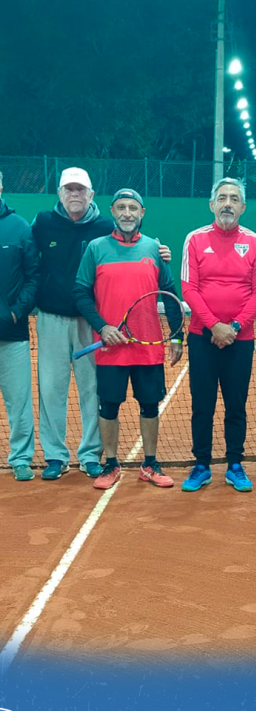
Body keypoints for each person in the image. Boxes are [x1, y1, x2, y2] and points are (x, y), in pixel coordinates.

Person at [32, 168, 171, 481]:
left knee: (92, 392)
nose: (75, 194)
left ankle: (91, 456)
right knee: (51, 389)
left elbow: (139, 250)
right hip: (52, 318)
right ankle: (55, 456)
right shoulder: (42, 222)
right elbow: (28, 261)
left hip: (92, 323)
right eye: (69, 189)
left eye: (80, 189)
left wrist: (162, 252)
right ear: (59, 192)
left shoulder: (106, 226)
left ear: (91, 194)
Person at [74, 188, 183, 490]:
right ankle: (111, 464)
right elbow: (80, 292)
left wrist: (177, 337)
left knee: (150, 406)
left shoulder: (154, 249)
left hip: (147, 348)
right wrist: (102, 327)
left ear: (141, 213)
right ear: (112, 211)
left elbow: (170, 294)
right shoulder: (96, 248)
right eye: (121, 207)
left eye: (133, 208)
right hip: (111, 348)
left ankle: (150, 464)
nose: (127, 213)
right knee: (108, 407)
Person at [180, 177, 256, 492]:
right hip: (202, 338)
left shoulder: (255, 242)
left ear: (243, 207)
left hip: (239, 340)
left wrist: (234, 327)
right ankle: (201, 465)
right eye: (222, 198)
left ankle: (235, 465)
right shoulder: (194, 239)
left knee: (236, 405)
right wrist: (214, 325)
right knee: (202, 405)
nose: (227, 204)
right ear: (212, 205)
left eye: (233, 199)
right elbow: (189, 289)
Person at [0, 170, 40, 480]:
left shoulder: (19, 227)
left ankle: (21, 459)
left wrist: (16, 312)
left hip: (12, 334)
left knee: (19, 401)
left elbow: (33, 276)